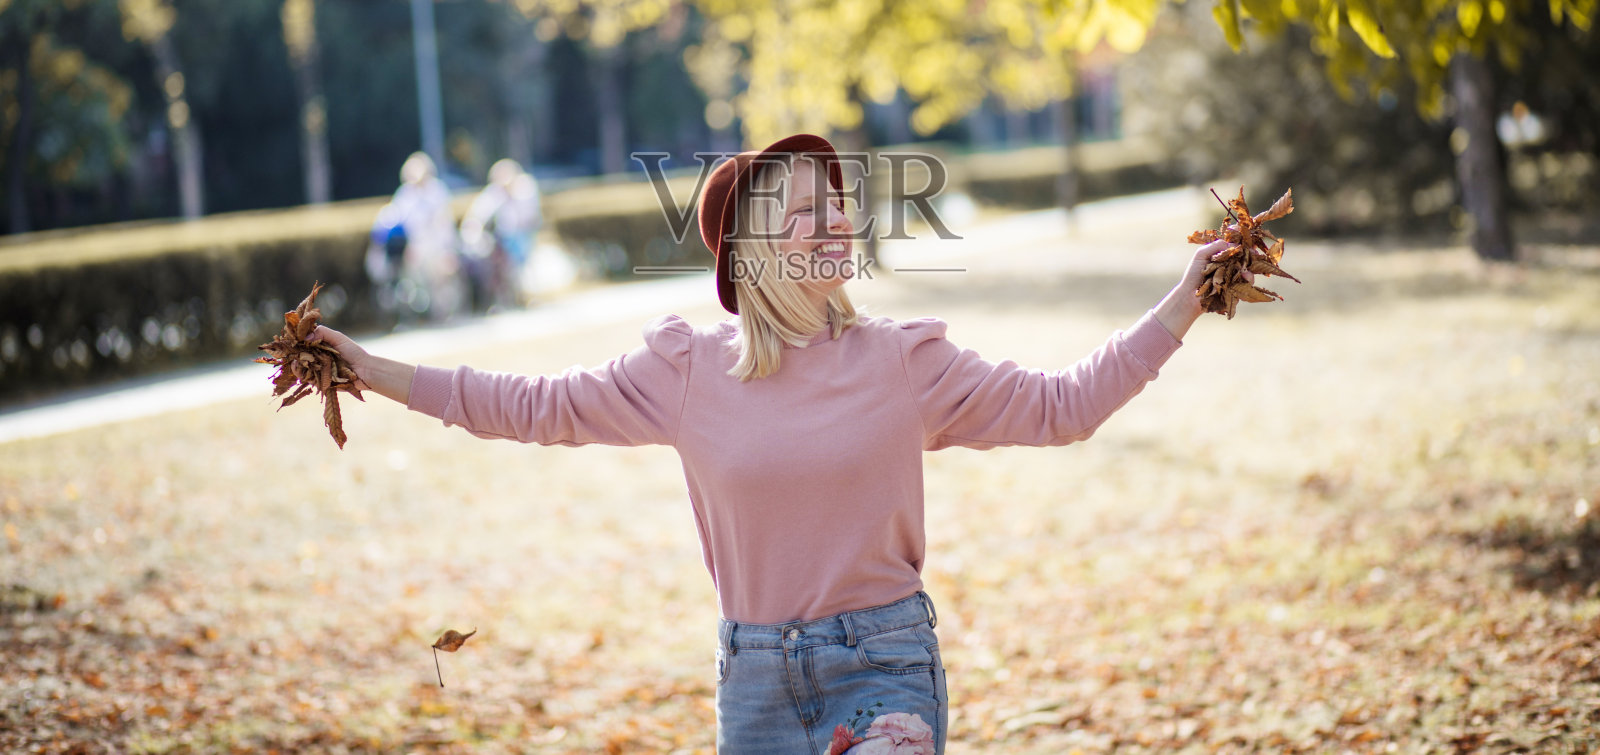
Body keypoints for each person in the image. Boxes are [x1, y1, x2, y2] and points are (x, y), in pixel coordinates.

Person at [314, 133, 1242, 755]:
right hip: (752, 684)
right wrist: (371, 369)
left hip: (885, 670)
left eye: (838, 203)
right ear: (751, 251)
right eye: (807, 210)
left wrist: (1188, 297)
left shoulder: (904, 360)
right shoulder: (684, 369)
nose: (838, 218)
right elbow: (526, 403)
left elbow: (1063, 405)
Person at [364, 151, 465, 322]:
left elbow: (444, 225)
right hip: (414, 249)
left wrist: (447, 250)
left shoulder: (437, 192)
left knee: (440, 282)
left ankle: (443, 315)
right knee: (410, 284)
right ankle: (417, 316)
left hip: (437, 248)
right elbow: (399, 224)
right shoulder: (404, 195)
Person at [460, 158, 543, 309]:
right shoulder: (492, 195)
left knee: (524, 267)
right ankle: (500, 301)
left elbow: (531, 216)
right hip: (500, 240)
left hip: (521, 236)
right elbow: (476, 219)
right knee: (496, 269)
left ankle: (526, 297)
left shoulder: (525, 189)